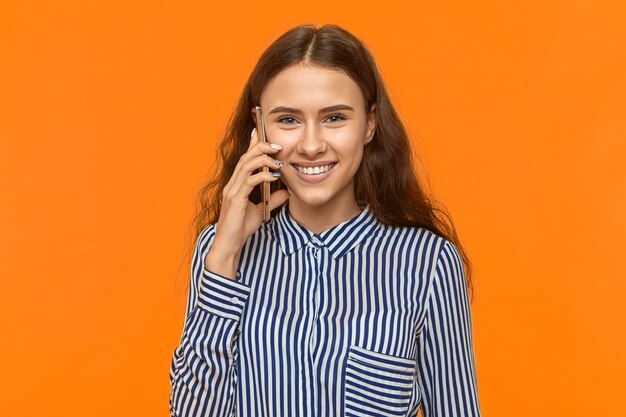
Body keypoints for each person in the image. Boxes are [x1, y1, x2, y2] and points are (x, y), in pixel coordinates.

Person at [168, 23, 481, 417]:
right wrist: (223, 259)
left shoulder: (428, 263)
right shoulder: (220, 253)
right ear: (259, 127)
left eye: (334, 118)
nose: (312, 145)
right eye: (288, 120)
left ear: (369, 124)